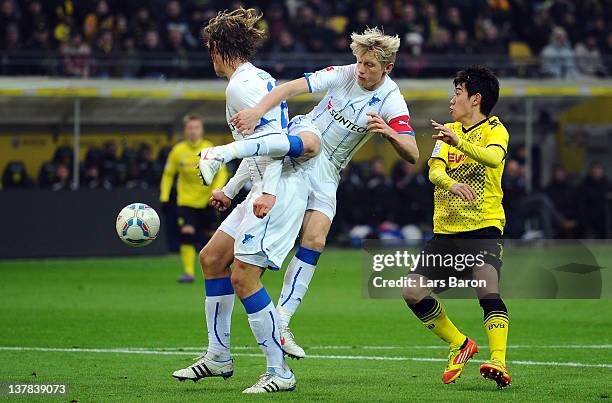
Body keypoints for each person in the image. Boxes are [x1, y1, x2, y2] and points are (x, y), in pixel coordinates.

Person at [230, 27, 419, 358]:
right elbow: (290, 88)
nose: (361, 70)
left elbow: (414, 153)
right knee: (273, 219)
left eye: (370, 66)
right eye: (360, 62)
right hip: (306, 134)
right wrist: (259, 111)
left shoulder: (392, 100)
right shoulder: (343, 73)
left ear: (387, 68)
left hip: (330, 170)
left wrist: (389, 132)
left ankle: (282, 320)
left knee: (316, 239)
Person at [171, 8, 309, 393]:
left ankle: (279, 372)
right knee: (212, 258)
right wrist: (231, 191)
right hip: (263, 184)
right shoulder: (256, 77)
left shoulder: (240, 87)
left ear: (217, 47)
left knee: (243, 277)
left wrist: (266, 191)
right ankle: (218, 356)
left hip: (278, 189)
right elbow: (256, 147)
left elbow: (276, 146)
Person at [401, 65, 512, 389]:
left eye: (458, 93)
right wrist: (451, 184)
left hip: (483, 226)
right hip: (446, 232)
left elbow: (492, 159)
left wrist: (459, 143)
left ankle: (499, 361)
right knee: (412, 290)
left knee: (486, 287)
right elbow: (434, 172)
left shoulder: (495, 129)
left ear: (475, 98)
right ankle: (459, 344)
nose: (452, 100)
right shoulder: (447, 130)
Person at [160, 114, 228, 283]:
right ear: (185, 130)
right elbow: (168, 174)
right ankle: (189, 273)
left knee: (213, 236)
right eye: (190, 128)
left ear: (202, 130)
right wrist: (165, 196)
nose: (193, 131)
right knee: (187, 233)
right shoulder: (178, 151)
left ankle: (220, 269)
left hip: (208, 200)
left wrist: (216, 191)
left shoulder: (209, 149)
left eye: (196, 128)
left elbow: (222, 172)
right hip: (186, 201)